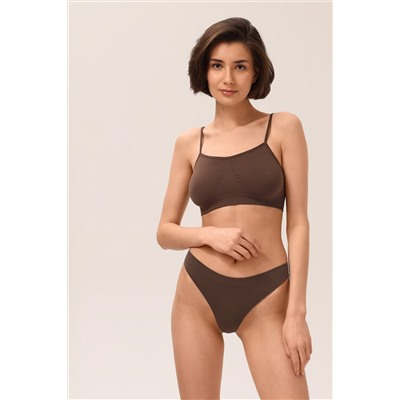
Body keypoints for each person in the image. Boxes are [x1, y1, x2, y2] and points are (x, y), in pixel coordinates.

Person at [156, 17, 312, 399]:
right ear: (205, 71)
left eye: (240, 66)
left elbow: (298, 224)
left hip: (268, 296)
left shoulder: (283, 128)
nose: (228, 78)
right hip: (198, 293)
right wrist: (210, 235)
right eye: (217, 65)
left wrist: (297, 313)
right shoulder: (189, 143)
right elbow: (165, 232)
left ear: (255, 71)